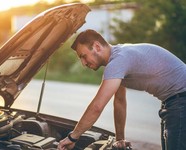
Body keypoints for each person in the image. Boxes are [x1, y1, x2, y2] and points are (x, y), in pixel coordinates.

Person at [57, 29, 186, 150]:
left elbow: (97, 107)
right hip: (175, 100)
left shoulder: (118, 61)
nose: (83, 63)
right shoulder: (118, 59)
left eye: (83, 56)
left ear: (96, 46)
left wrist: (73, 137)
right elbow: (119, 101)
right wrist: (120, 139)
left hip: (181, 100)